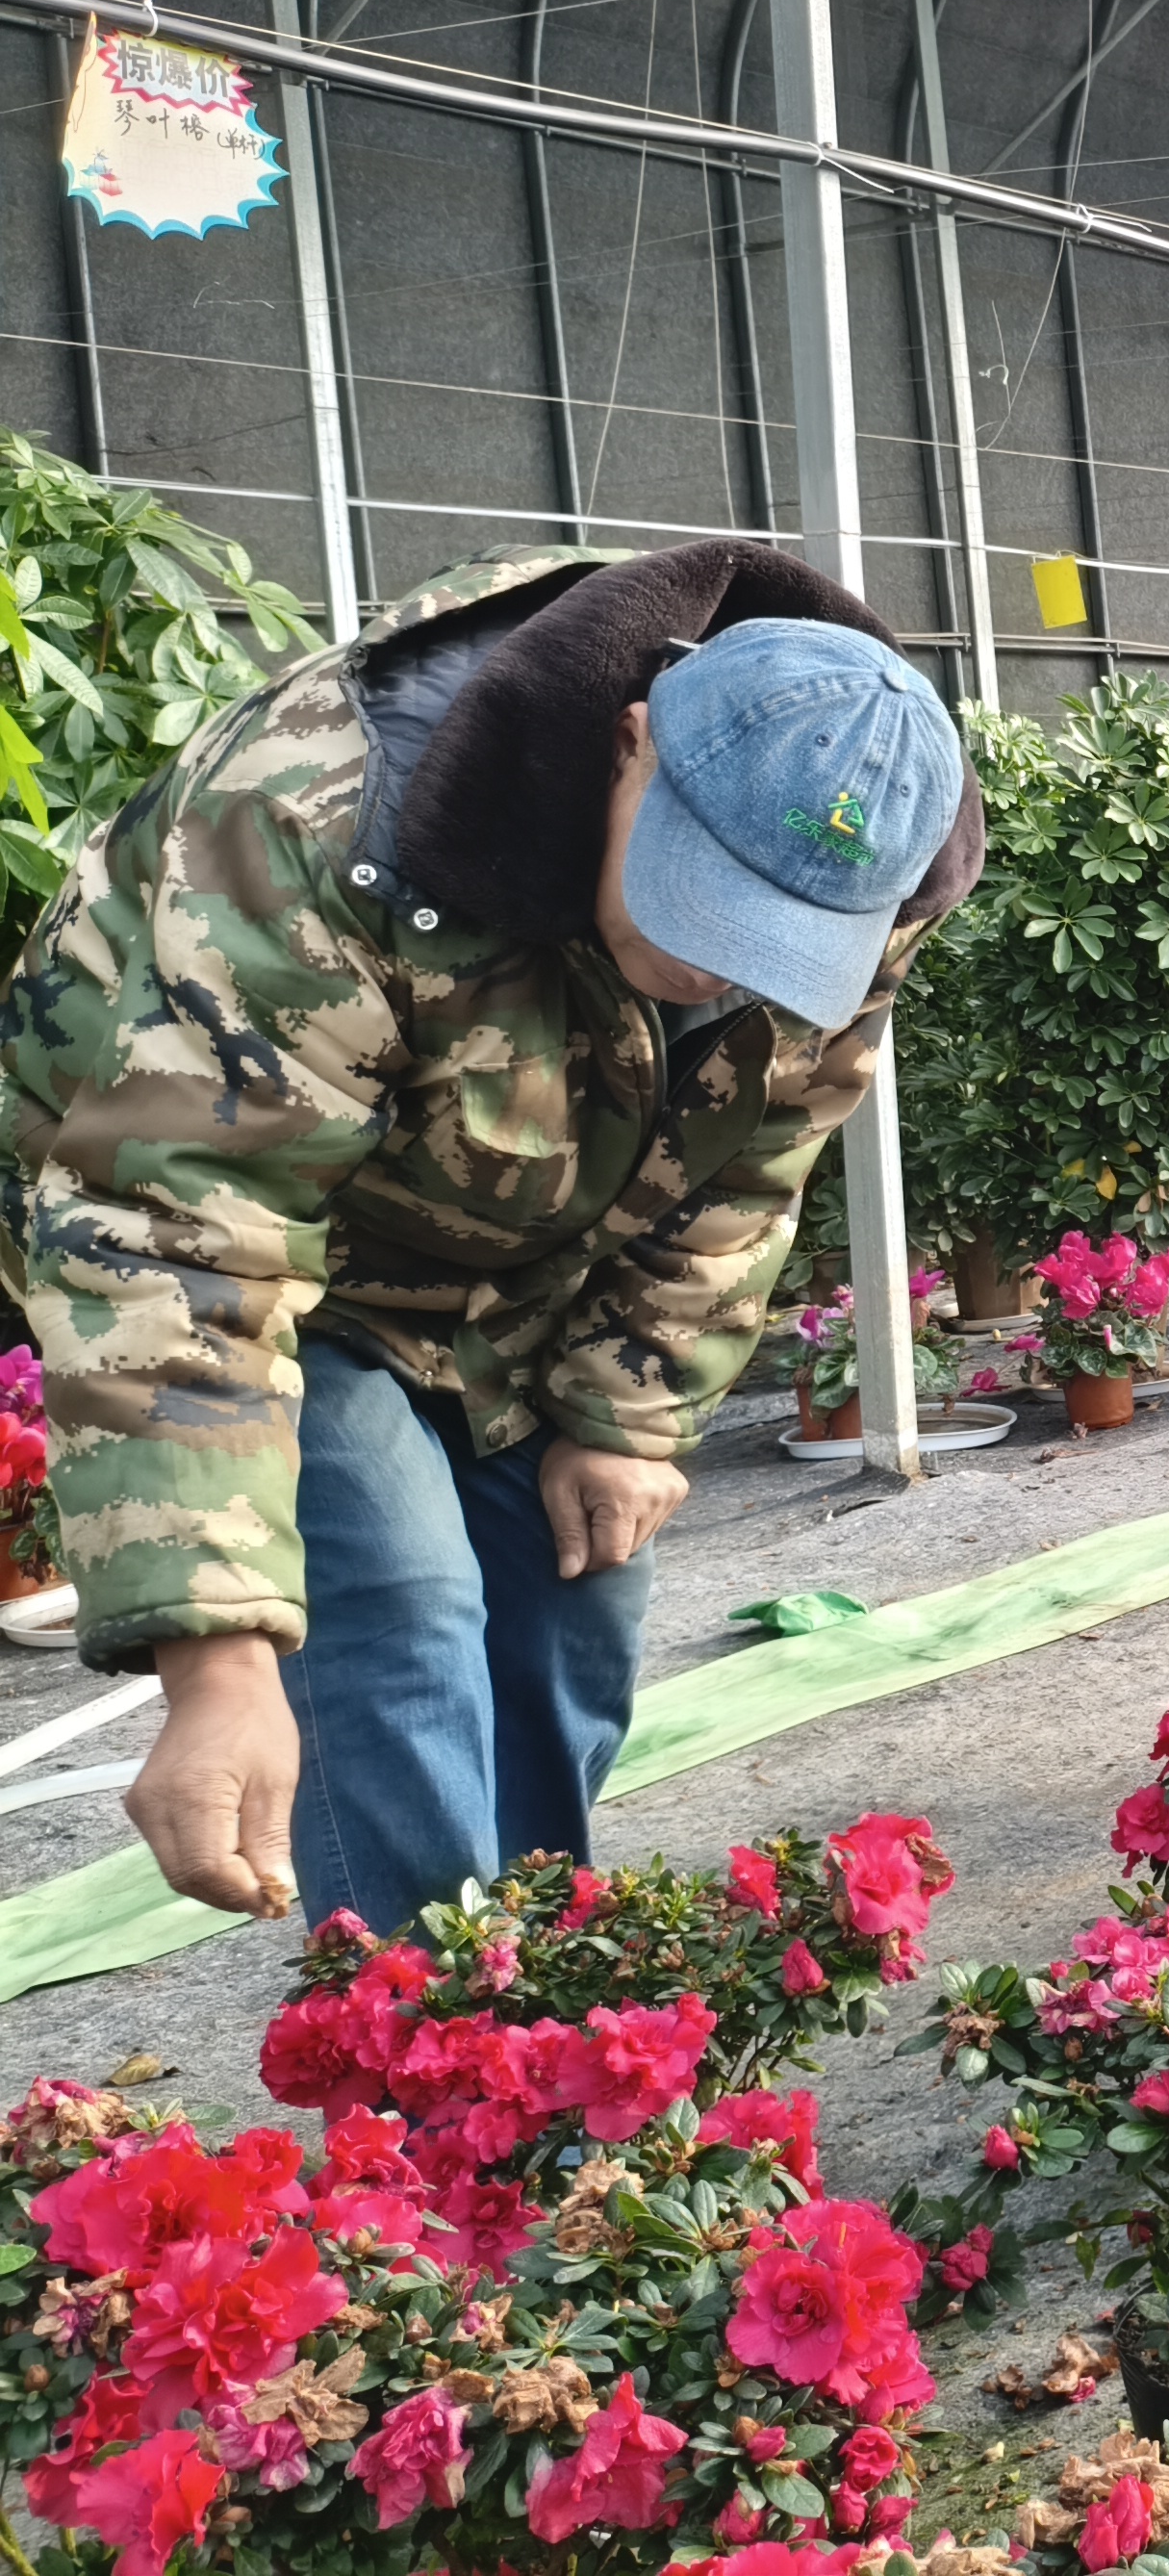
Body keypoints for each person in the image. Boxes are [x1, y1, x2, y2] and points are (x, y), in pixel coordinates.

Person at [1, 540, 981, 1930]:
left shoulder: (865, 847)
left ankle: (541, 1992)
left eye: (775, 934)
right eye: (701, 897)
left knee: (575, 1607)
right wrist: (215, 1662)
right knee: (398, 1612)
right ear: (630, 740)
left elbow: (756, 1151)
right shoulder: (321, 826)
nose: (718, 964)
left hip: (514, 1236)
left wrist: (626, 1414)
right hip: (245, 1237)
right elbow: (182, 1227)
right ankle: (429, 2034)